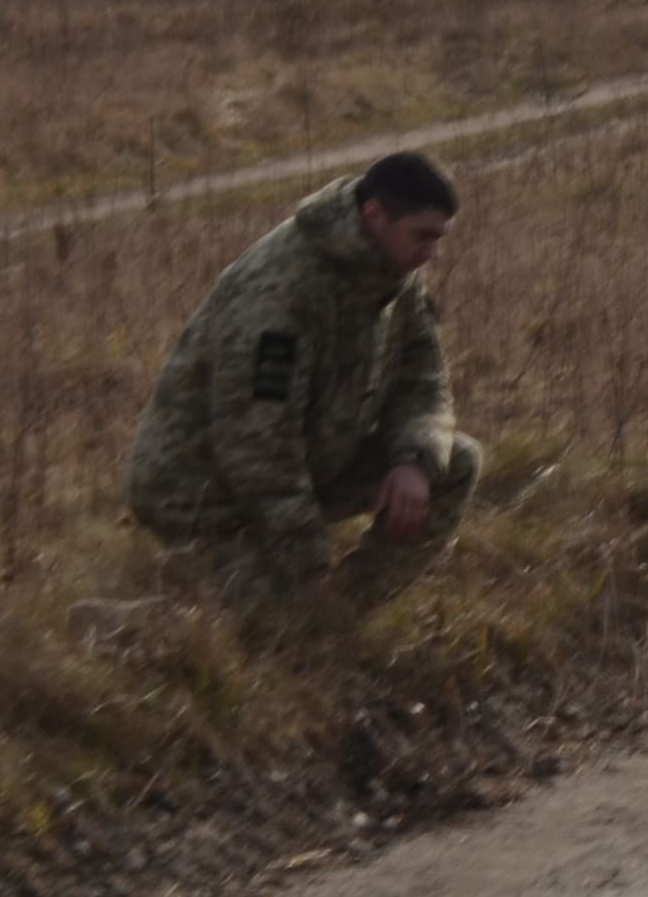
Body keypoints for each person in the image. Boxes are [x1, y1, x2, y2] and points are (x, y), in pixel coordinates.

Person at [126, 149, 484, 621]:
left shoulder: (393, 275)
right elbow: (256, 447)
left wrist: (414, 460)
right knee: (268, 630)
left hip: (307, 467)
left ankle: (343, 614)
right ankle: (115, 630)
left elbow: (424, 382)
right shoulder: (281, 293)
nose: (431, 254)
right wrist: (309, 565)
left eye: (438, 238)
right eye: (422, 236)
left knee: (454, 462)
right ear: (374, 216)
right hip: (201, 493)